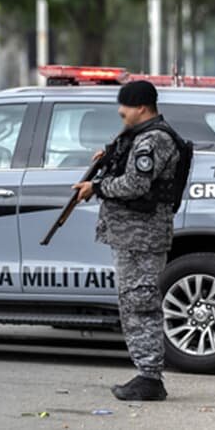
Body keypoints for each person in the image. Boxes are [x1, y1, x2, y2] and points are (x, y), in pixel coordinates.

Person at [73, 80, 186, 402]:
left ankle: (150, 377)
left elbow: (136, 184)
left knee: (141, 303)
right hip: (132, 235)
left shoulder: (154, 139)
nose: (121, 112)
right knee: (133, 302)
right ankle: (146, 373)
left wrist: (97, 187)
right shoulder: (139, 137)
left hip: (142, 236)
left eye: (124, 106)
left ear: (140, 107)